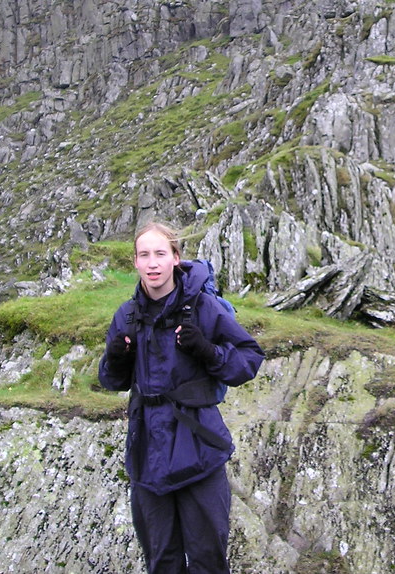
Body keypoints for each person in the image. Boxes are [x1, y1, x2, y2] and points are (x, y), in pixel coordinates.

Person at [99, 222, 265, 574]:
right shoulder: (127, 316)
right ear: (135, 262)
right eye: (144, 255)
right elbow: (111, 380)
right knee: (161, 562)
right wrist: (116, 358)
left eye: (160, 253)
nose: (153, 263)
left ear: (176, 258)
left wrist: (208, 351)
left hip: (198, 449)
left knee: (208, 561)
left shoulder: (204, 308)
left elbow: (248, 361)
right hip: (147, 454)